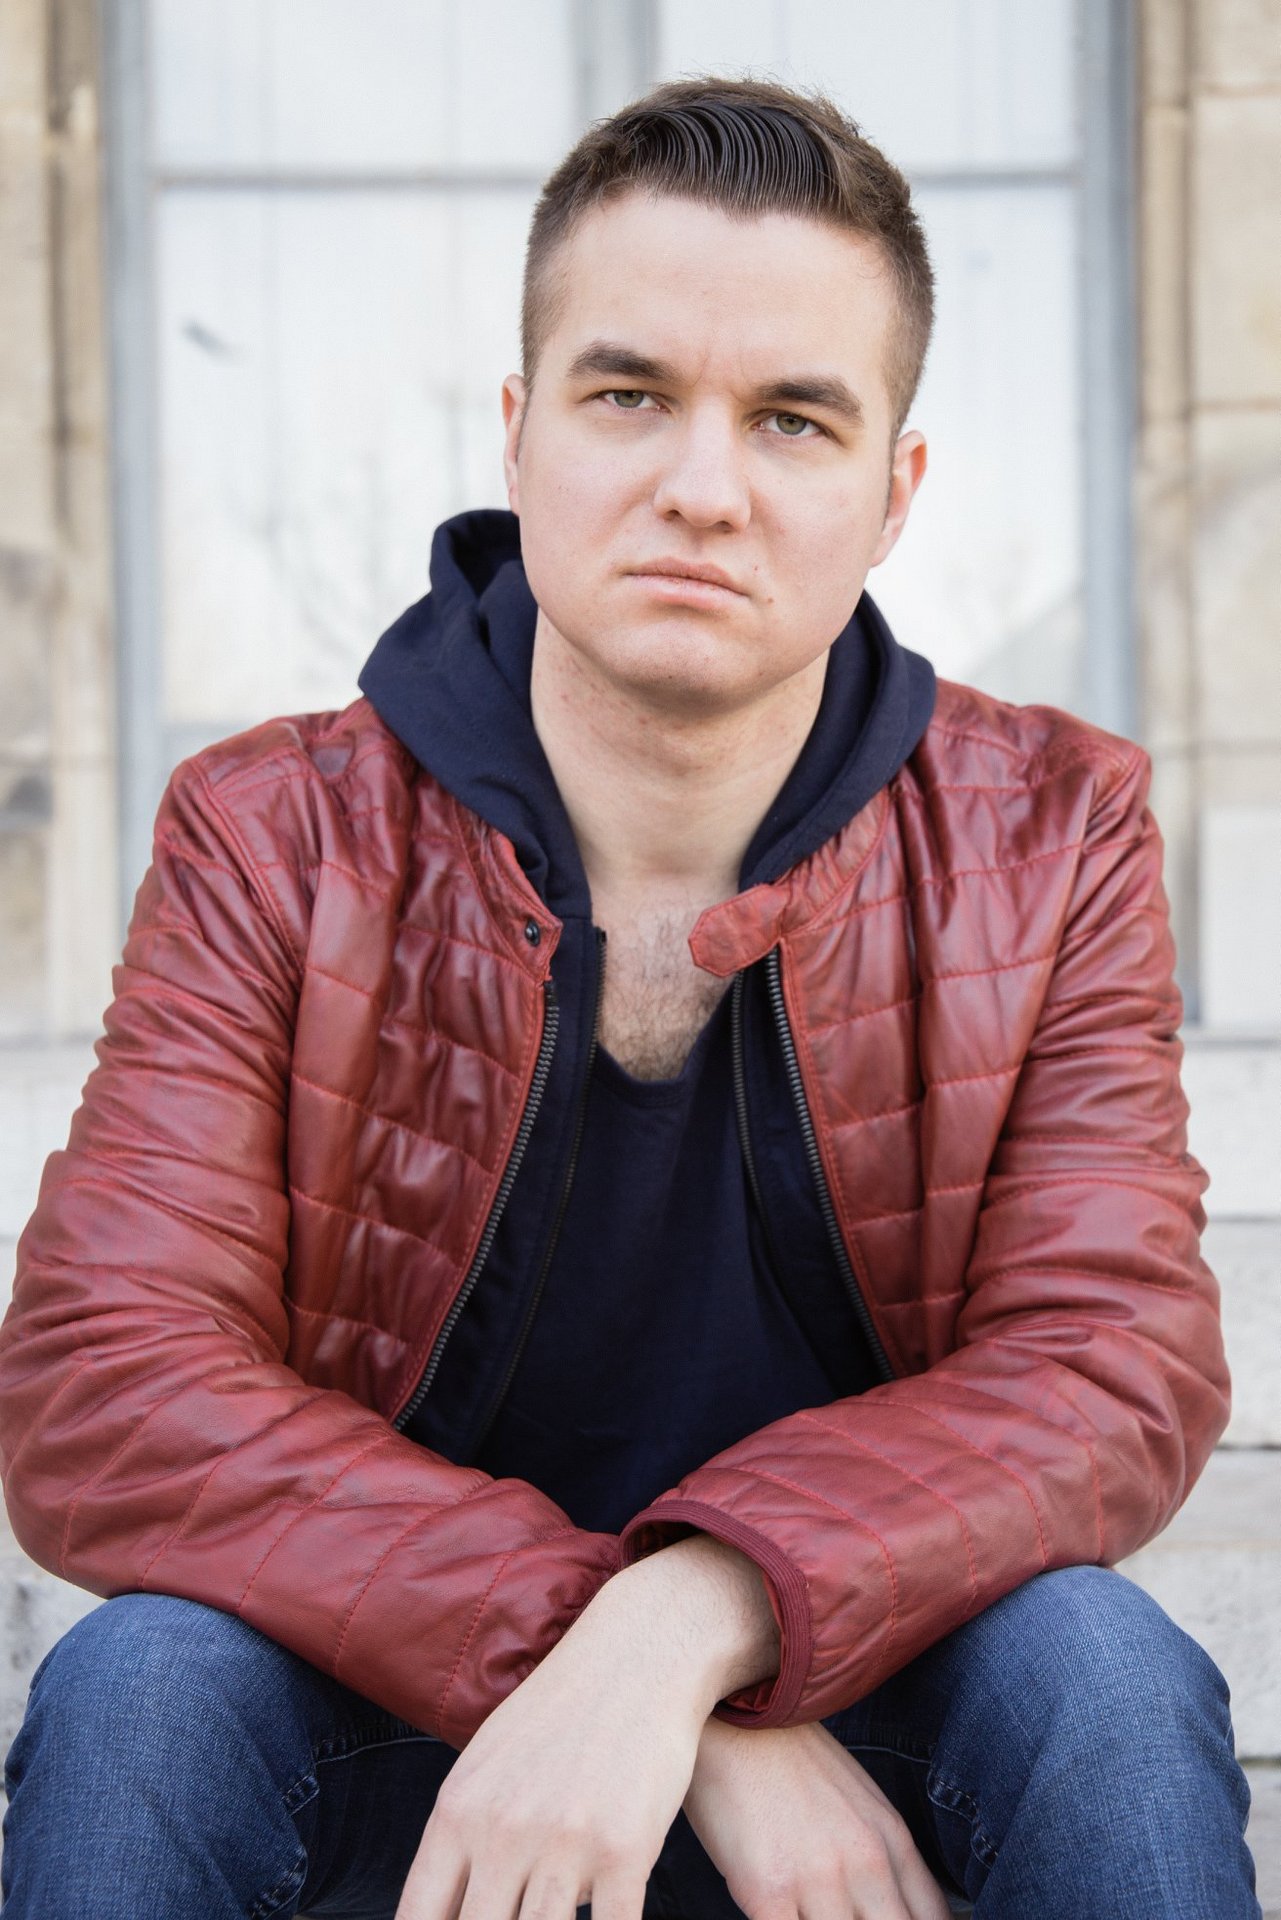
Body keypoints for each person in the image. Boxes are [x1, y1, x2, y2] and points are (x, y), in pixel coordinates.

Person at [0, 74, 1260, 1920]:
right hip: (406, 1711)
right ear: (518, 435)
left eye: (792, 419)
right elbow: (107, 1383)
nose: (702, 487)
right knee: (142, 1690)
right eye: (627, 396)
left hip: (872, 1710)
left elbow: (1106, 1363)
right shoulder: (273, 833)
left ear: (893, 494)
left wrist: (698, 1625)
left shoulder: (1048, 831)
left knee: (1101, 1677)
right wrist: (601, 1661)